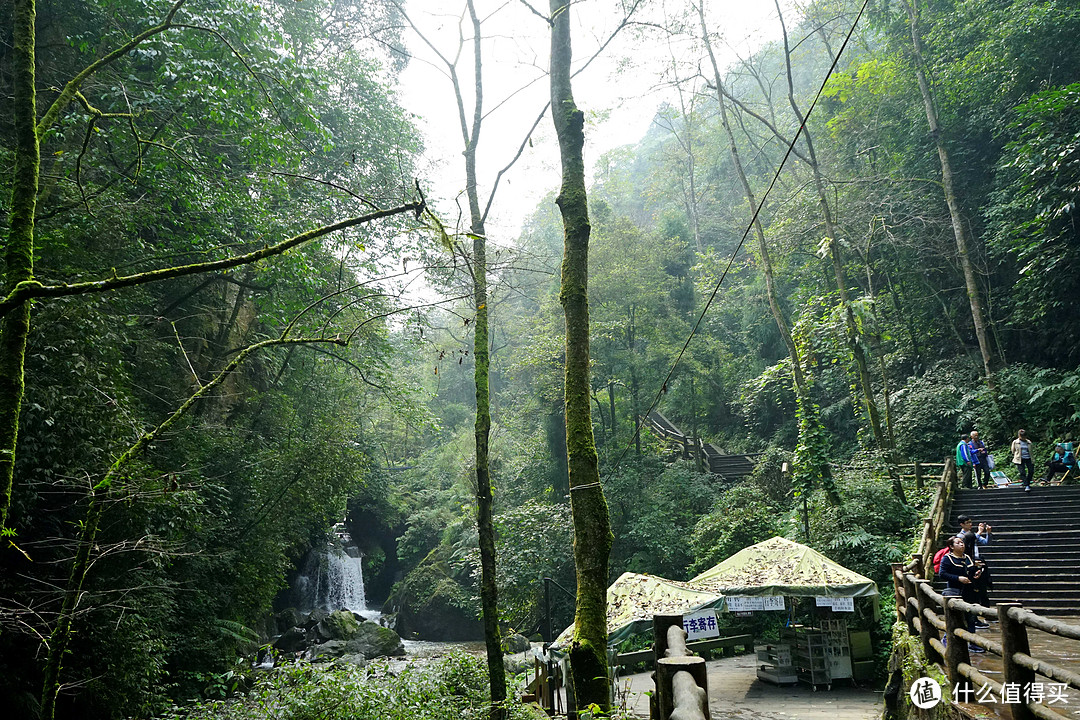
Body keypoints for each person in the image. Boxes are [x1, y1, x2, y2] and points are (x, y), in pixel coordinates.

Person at [937, 536, 985, 652]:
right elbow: (942, 574)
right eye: (958, 543)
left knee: (971, 617)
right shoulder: (947, 559)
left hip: (968, 591)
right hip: (954, 591)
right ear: (952, 547)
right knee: (955, 617)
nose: (962, 545)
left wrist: (976, 573)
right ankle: (947, 639)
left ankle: (973, 643)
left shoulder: (967, 557)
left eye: (962, 542)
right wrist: (958, 578)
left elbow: (971, 571)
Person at [955, 515, 992, 628]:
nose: (970, 524)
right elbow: (966, 545)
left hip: (977, 562)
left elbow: (986, 542)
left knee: (981, 589)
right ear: (962, 524)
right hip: (968, 564)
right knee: (971, 592)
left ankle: (981, 615)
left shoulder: (973, 535)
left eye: (970, 522)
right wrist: (979, 532)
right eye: (967, 522)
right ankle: (972, 619)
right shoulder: (960, 537)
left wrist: (988, 533)